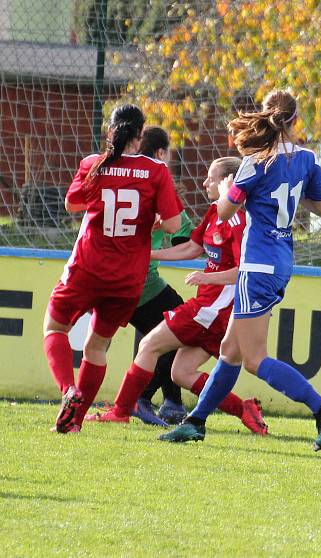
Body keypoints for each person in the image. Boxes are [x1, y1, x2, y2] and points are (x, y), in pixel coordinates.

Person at [161, 90, 321, 447]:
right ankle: (196, 422)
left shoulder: (256, 161)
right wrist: (291, 190)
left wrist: (230, 188)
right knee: (230, 351)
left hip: (256, 265)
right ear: (294, 120)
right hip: (280, 262)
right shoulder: (307, 159)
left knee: (255, 360)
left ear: (266, 115)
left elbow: (226, 212)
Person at [88, 157, 268, 435]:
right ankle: (243, 409)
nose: (205, 182)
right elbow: (191, 249)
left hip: (214, 309)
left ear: (227, 182)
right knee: (180, 373)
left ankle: (121, 411)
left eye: (211, 177)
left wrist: (208, 278)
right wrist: (147, 254)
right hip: (212, 310)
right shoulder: (215, 213)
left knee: (149, 345)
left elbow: (245, 269)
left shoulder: (238, 220)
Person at [43, 104, 183, 434]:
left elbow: (71, 204)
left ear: (111, 131)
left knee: (55, 327)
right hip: (127, 278)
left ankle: (68, 392)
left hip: (88, 267)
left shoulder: (95, 164)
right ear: (140, 136)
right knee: (96, 346)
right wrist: (153, 218)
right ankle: (73, 423)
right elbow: (175, 223)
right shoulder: (156, 171)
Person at [126, 126, 194, 426]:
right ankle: (141, 398)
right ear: (160, 154)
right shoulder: (158, 186)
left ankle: (171, 401)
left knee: (157, 330)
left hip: (103, 276)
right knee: (181, 325)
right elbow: (186, 240)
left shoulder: (119, 178)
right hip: (141, 282)